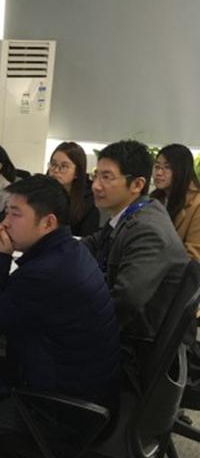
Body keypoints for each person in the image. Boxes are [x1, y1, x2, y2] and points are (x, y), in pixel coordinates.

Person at [0, 175, 121, 458]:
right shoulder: (69, 251)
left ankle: (23, 453)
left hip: (69, 412)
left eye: (15, 214)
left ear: (48, 223)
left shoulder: (45, 272)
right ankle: (14, 448)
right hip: (93, 389)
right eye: (6, 212)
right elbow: (30, 294)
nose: (4, 222)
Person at [83, 140, 188, 358]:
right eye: (96, 175)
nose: (96, 186)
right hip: (125, 334)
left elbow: (124, 302)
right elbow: (92, 244)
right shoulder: (131, 213)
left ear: (137, 184)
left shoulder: (149, 231)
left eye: (107, 177)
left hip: (135, 347)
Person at [150, 143, 200, 260]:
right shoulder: (153, 200)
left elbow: (194, 256)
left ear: (182, 170)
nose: (159, 173)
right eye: (157, 166)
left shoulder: (197, 204)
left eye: (167, 167)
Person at [47, 141, 99, 236]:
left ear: (77, 172)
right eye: (53, 164)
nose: (56, 170)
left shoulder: (89, 202)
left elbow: (86, 239)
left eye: (64, 166)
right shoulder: (41, 193)